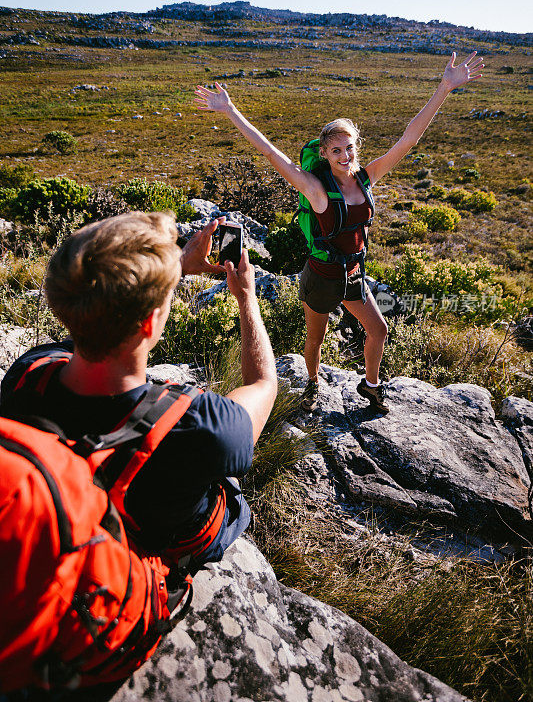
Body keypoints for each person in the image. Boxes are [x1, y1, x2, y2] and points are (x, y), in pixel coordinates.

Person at [195, 52, 484, 413]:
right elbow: (272, 154)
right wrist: (230, 111)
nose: (345, 155)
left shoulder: (366, 178)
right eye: (336, 150)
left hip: (352, 273)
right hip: (321, 275)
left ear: (355, 147)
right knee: (316, 339)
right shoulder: (316, 190)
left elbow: (407, 140)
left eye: (349, 148)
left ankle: (372, 386)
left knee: (378, 330)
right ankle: (313, 383)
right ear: (326, 154)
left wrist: (444, 88)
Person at [0, 211, 278, 576]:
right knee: (228, 476)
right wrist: (246, 298)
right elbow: (263, 384)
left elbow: (97, 311)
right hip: (156, 560)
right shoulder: (204, 427)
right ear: (150, 321)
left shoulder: (30, 371)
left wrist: (172, 268)